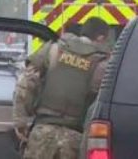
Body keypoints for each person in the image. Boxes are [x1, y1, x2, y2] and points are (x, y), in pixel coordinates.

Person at [13, 17, 110, 159]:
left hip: (42, 133)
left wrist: (21, 121)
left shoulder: (54, 48)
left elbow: (26, 84)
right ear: (101, 38)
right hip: (73, 140)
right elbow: (100, 105)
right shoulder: (101, 64)